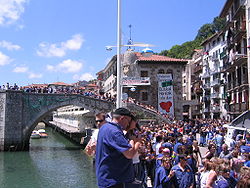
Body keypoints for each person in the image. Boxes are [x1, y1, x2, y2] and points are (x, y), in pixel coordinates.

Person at [95, 108, 141, 188]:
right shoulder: (115, 132)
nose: (128, 124)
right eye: (128, 122)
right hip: (113, 181)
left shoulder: (104, 127)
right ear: (123, 118)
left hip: (106, 177)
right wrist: (136, 142)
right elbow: (129, 154)